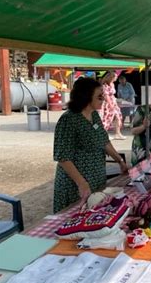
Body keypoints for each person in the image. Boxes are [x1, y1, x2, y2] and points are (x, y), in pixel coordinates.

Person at [53, 77, 129, 213]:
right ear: (86, 97)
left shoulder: (94, 116)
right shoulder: (69, 120)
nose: (104, 99)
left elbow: (104, 141)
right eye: (100, 96)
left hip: (96, 180)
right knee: (75, 219)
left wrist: (120, 160)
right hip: (75, 186)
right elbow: (63, 157)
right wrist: (81, 183)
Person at [100, 71, 125, 140]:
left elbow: (112, 94)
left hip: (114, 103)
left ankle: (118, 133)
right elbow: (106, 95)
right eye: (115, 77)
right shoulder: (104, 85)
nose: (116, 78)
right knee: (107, 118)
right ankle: (104, 134)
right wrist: (110, 104)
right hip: (107, 104)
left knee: (118, 116)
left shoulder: (112, 84)